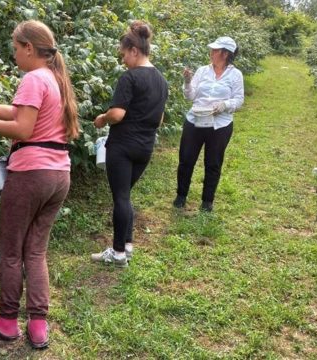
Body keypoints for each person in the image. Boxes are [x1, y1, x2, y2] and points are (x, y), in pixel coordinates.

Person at [0, 20, 78, 349]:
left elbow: (24, 129)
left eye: (15, 48)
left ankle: (8, 323)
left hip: (30, 175)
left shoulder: (32, 78)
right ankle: (38, 327)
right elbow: (23, 112)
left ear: (29, 48)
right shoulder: (54, 79)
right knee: (36, 251)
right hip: (58, 176)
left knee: (11, 253)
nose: (13, 54)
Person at [90, 21, 169, 267]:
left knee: (121, 197)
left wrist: (102, 119)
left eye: (124, 54)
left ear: (134, 50)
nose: (123, 60)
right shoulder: (161, 80)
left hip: (122, 146)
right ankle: (127, 244)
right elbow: (161, 118)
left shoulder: (130, 77)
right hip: (145, 148)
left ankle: (118, 253)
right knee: (125, 195)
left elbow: (117, 115)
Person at [173, 36, 244, 212]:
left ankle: (207, 201)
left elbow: (239, 99)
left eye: (215, 50)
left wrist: (225, 105)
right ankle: (181, 196)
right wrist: (188, 82)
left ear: (225, 54)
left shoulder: (235, 75)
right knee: (186, 159)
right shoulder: (203, 71)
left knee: (213, 163)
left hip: (220, 125)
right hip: (195, 121)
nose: (211, 52)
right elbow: (190, 97)